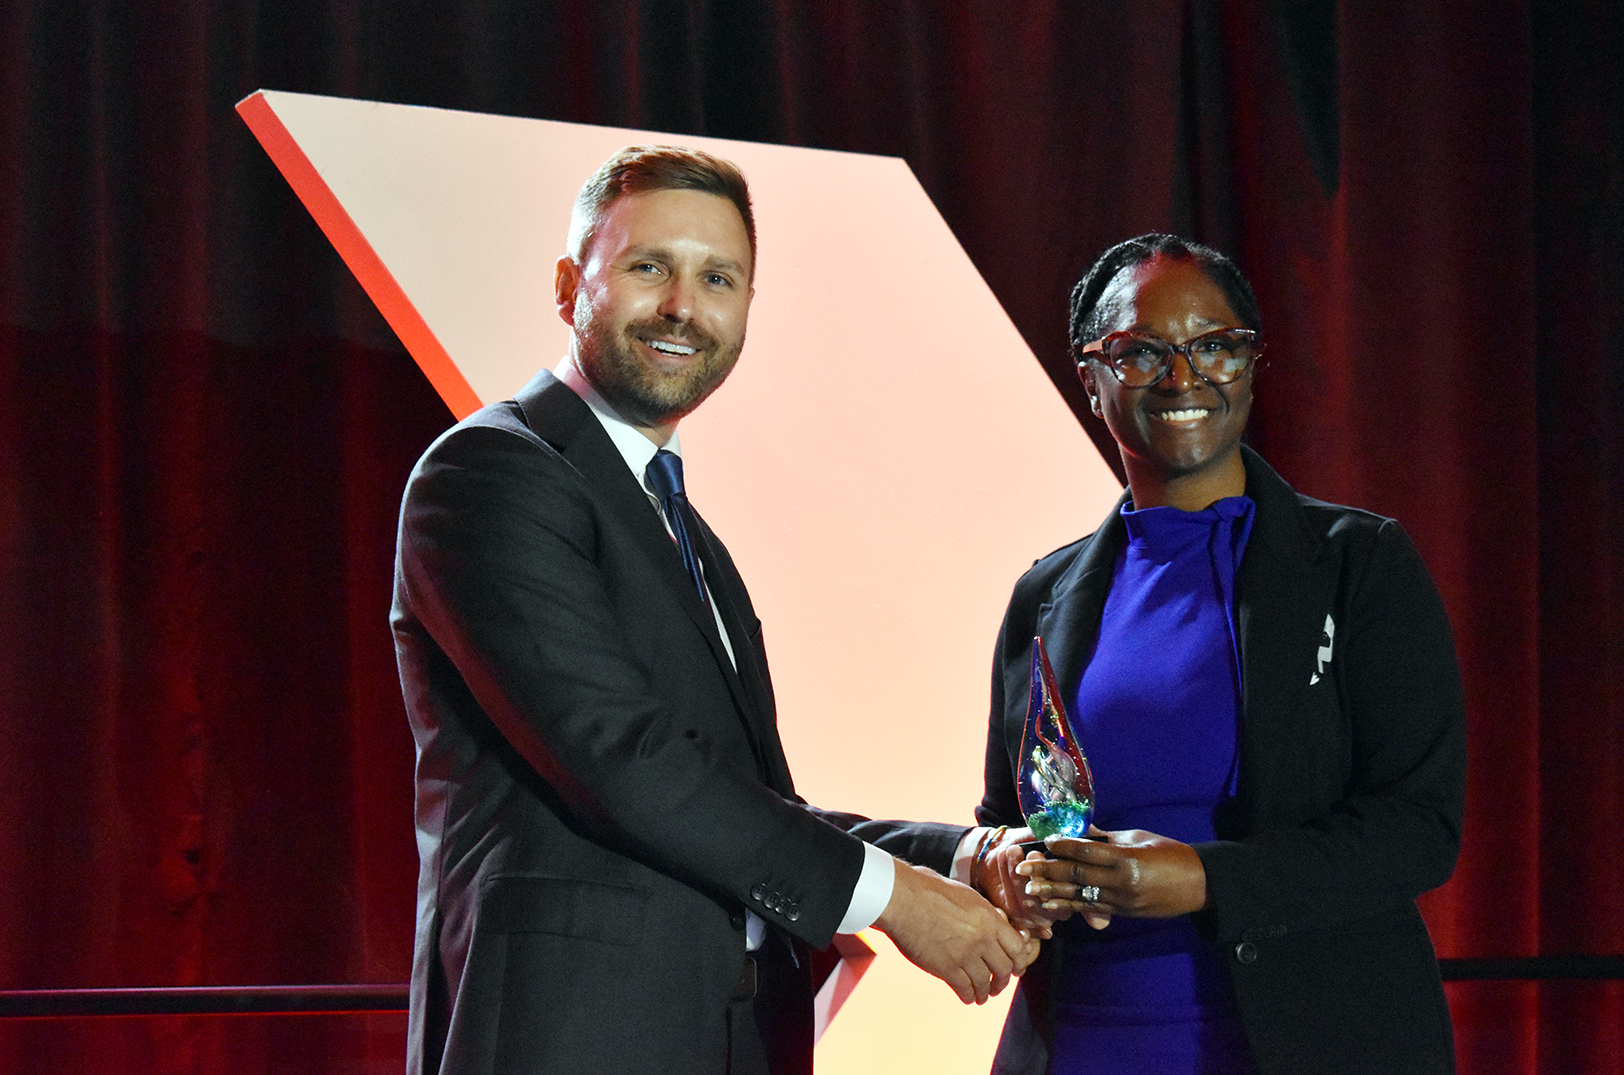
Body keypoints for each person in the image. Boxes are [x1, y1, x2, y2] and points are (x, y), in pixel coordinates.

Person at [390, 145, 1037, 1075]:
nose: (683, 307)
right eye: (650, 266)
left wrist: (961, 857)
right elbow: (625, 757)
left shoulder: (685, 531)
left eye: (718, 278)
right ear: (570, 287)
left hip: (734, 1037)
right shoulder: (490, 472)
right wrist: (899, 901)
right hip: (572, 1037)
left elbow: (747, 800)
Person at [965, 235, 1466, 1074]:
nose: (1184, 376)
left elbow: (1418, 829)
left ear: (1251, 363)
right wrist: (1014, 870)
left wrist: (1204, 879)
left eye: (1215, 346)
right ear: (1090, 378)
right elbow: (1005, 816)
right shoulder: (1042, 596)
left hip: (1312, 1041)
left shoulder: (1358, 564)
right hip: (1084, 1037)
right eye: (1140, 352)